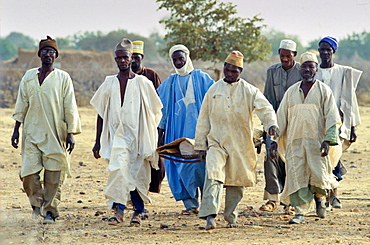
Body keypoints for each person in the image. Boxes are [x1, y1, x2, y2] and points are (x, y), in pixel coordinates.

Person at [194, 51, 278, 230]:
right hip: (216, 142)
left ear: (240, 71)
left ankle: (231, 217)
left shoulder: (249, 90)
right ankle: (210, 216)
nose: (230, 73)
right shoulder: (214, 90)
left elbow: (266, 109)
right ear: (224, 68)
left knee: (236, 182)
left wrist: (271, 124)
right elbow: (203, 119)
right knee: (213, 175)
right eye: (228, 69)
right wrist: (201, 145)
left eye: (235, 70)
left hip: (240, 144)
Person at [90, 38, 162, 226]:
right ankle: (119, 210)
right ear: (115, 60)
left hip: (139, 137)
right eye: (119, 58)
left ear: (132, 59)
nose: (122, 61)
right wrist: (97, 141)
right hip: (117, 137)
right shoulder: (108, 83)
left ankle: (138, 211)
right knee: (119, 170)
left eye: (126, 57)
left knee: (137, 174)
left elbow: (155, 111)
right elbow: (101, 113)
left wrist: (151, 136)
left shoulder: (143, 83)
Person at [11, 36, 81, 224]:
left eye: (51, 52)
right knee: (28, 173)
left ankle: (50, 211)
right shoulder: (29, 76)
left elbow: (70, 106)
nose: (47, 55)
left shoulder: (63, 78)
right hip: (32, 132)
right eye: (44, 51)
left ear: (56, 55)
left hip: (55, 133)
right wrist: (16, 129)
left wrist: (70, 133)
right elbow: (22, 103)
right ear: (39, 55)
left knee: (54, 173)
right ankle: (36, 206)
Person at [277, 52, 341, 224]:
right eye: (304, 66)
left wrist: (328, 140)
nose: (307, 69)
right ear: (300, 69)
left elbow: (332, 117)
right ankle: (300, 213)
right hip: (294, 142)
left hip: (317, 143)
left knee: (319, 175)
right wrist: (273, 137)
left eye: (310, 66)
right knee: (297, 175)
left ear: (316, 69)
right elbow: (281, 118)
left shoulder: (324, 91)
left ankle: (320, 199)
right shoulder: (291, 92)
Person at [157, 44, 214, 214]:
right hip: (176, 132)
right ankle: (190, 205)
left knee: (202, 167)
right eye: (175, 60)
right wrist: (161, 134)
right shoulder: (170, 83)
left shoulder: (202, 78)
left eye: (181, 58)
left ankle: (207, 203)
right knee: (178, 166)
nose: (178, 62)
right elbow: (162, 110)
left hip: (200, 132)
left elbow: (213, 102)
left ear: (187, 57)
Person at [316, 36, 363, 209]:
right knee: (321, 160)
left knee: (333, 159)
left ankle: (334, 195)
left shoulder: (343, 71)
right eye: (322, 49)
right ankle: (324, 196)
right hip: (317, 122)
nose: (325, 52)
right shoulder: (313, 70)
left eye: (328, 49)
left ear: (333, 51)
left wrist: (353, 127)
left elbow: (351, 100)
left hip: (338, 123)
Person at [260, 40, 302, 213]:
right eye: (282, 55)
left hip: (295, 122)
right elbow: (268, 98)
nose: (285, 59)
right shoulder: (272, 71)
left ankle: (290, 200)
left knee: (292, 159)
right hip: (275, 122)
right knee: (271, 155)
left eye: (288, 56)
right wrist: (267, 126)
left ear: (294, 55)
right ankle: (272, 198)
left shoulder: (302, 70)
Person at [131, 40, 164, 194]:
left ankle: (150, 189)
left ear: (141, 58)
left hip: (149, 123)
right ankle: (134, 191)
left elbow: (159, 100)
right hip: (130, 124)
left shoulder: (151, 75)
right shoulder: (124, 77)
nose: (133, 60)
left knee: (153, 157)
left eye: (136, 57)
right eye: (130, 57)